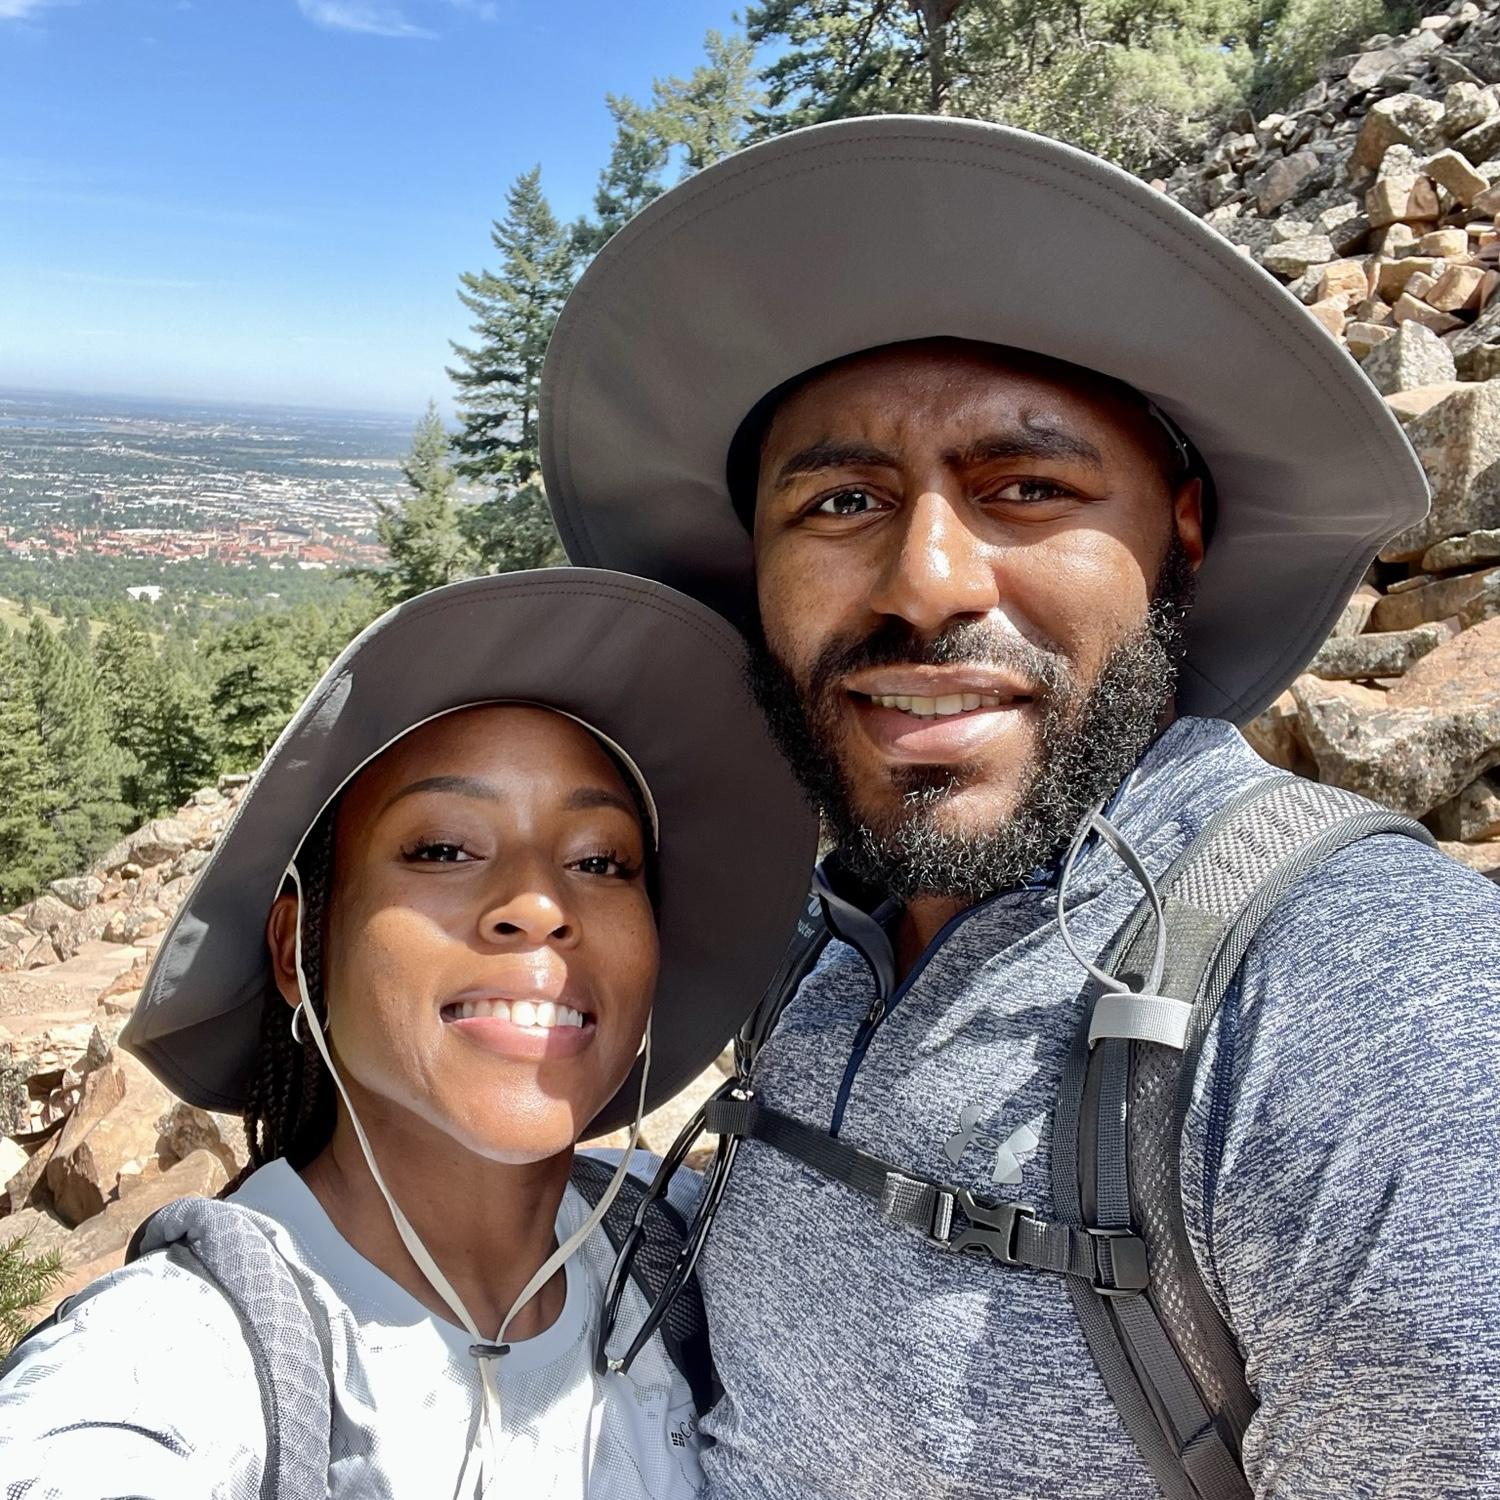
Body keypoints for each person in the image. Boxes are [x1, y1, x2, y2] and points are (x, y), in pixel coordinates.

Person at [537, 116, 1500, 1498]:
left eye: (1029, 488)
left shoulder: (1368, 1009)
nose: (925, 582)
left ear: (1180, 533)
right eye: (841, 501)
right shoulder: (830, 935)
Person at [0, 569, 816, 1498]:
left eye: (601, 861)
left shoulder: (687, 1256)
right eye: (443, 849)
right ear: (297, 950)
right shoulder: (170, 1356)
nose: (540, 905)